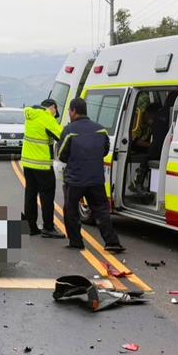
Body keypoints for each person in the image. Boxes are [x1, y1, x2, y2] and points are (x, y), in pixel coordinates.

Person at [58, 98, 125, 253]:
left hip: (75, 179)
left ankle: (76, 242)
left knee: (71, 210)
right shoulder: (100, 130)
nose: (69, 113)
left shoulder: (69, 130)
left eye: (69, 110)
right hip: (96, 178)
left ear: (74, 111)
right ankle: (112, 242)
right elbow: (105, 150)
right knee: (101, 210)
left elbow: (61, 155)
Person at [22, 98, 63, 238]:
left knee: (30, 195)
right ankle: (48, 228)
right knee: (47, 196)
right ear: (52, 108)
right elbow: (61, 135)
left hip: (28, 163)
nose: (55, 114)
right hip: (42, 165)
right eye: (55, 111)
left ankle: (31, 227)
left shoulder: (30, 115)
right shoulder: (47, 117)